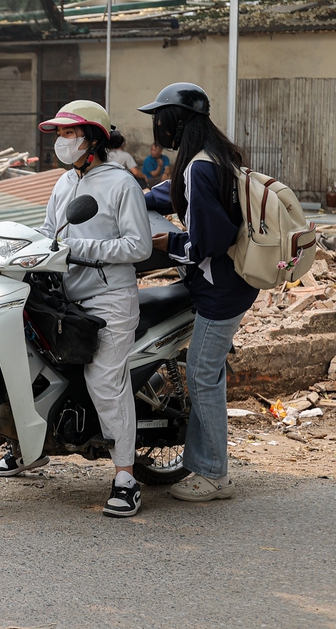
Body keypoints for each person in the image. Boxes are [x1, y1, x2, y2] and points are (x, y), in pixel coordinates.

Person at [0, 100, 152, 519]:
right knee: (29, 363)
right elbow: (49, 232)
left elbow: (140, 246)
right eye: (58, 135)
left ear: (92, 138)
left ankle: (126, 478)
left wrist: (80, 248)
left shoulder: (121, 184)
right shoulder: (64, 183)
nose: (62, 142)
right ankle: (28, 448)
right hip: (65, 296)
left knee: (103, 380)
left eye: (69, 134)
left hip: (109, 299)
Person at [139, 83, 258, 503]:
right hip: (232, 282)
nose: (157, 129)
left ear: (176, 122)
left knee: (203, 373)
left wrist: (163, 245)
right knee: (209, 373)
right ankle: (205, 460)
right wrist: (135, 197)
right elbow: (176, 194)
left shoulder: (198, 167)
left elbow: (208, 242)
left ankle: (213, 474)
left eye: (160, 120)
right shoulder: (213, 156)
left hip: (219, 289)